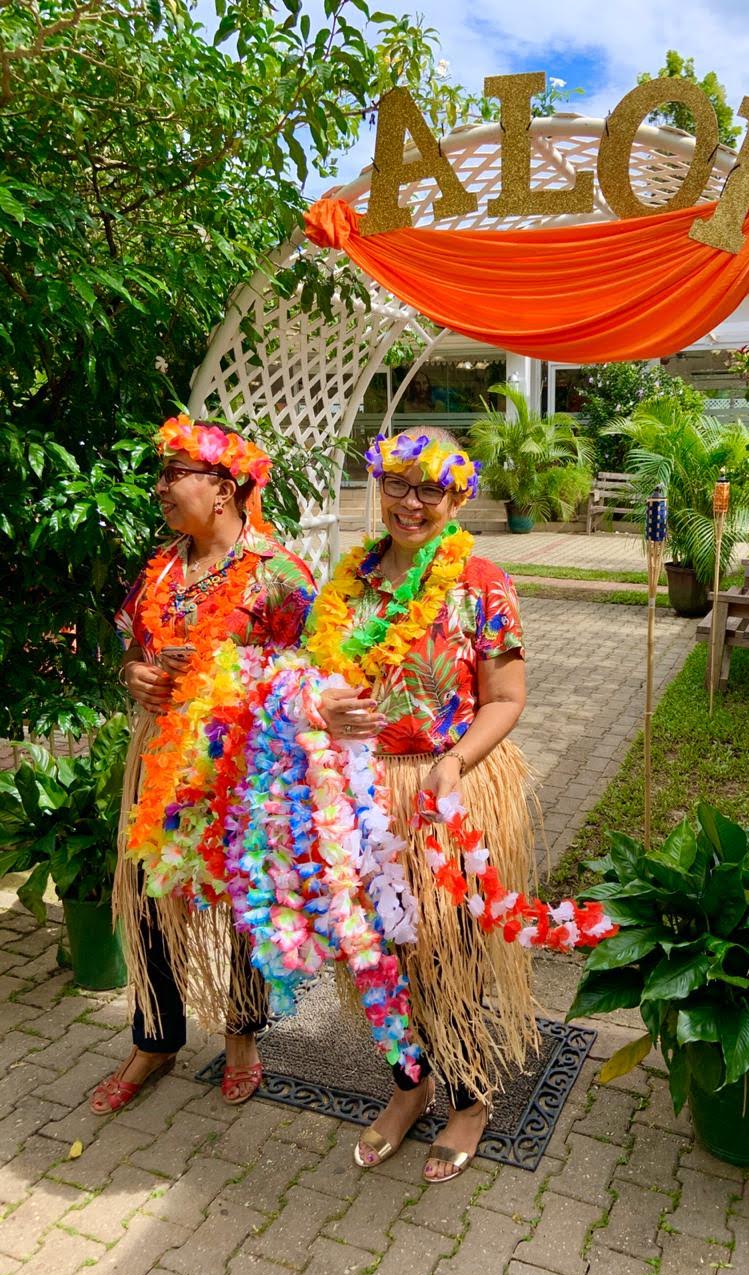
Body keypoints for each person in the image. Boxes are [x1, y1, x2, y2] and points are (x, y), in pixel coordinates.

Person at [315, 426, 538, 1183]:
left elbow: (505, 698)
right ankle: (409, 1089)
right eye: (398, 485)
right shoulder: (349, 582)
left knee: (450, 953)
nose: (411, 503)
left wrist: (455, 762)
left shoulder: (482, 584)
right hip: (362, 791)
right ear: (379, 484)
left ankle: (469, 1099)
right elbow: (322, 679)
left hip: (447, 789)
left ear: (458, 496)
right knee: (377, 952)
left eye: (431, 490)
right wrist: (325, 707)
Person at [90, 415, 316, 1114]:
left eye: (174, 475)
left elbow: (313, 674)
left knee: (245, 898)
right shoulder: (160, 568)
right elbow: (129, 650)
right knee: (150, 898)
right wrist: (135, 675)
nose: (161, 488)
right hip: (161, 758)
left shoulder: (279, 575)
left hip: (242, 763)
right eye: (162, 475)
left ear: (223, 488)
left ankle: (242, 1035)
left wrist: (234, 678)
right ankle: (155, 1038)